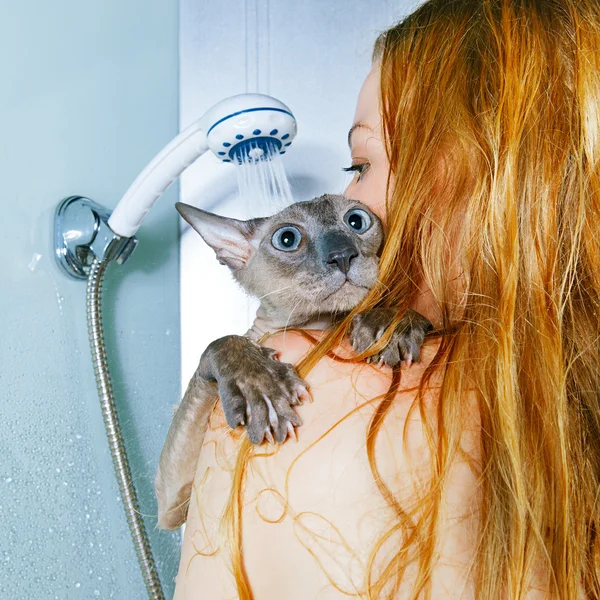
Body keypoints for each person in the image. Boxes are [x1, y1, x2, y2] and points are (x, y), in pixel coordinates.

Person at [173, 0, 600, 597]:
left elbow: (175, 513)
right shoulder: (563, 399)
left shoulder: (311, 382)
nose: (355, 213)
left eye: (361, 164)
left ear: (473, 173)